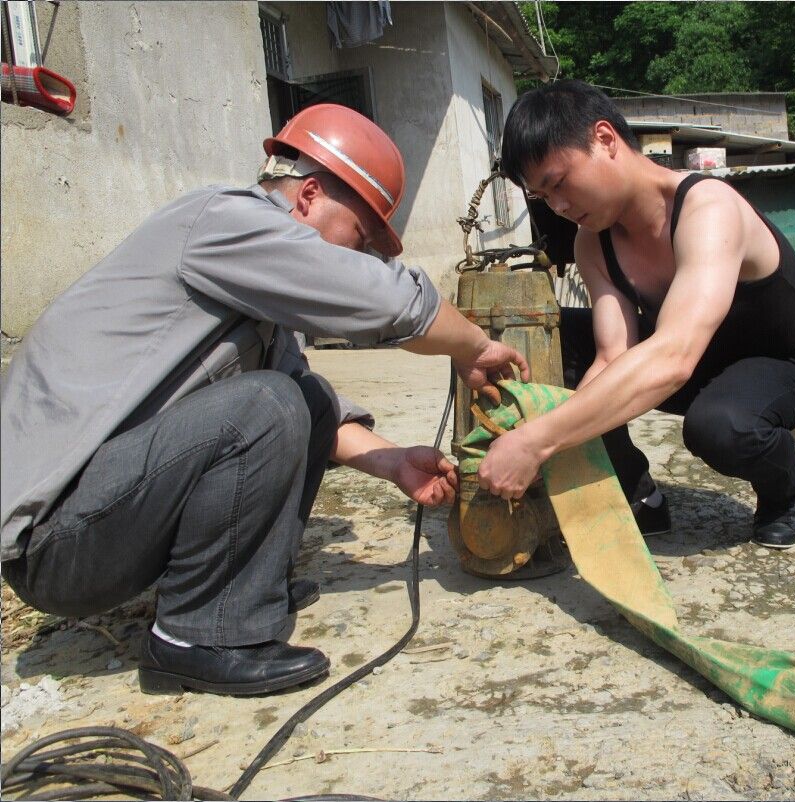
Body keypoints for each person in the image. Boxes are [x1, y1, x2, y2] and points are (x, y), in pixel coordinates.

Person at [0, 104, 529, 696]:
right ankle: (198, 637)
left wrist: (390, 461)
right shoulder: (224, 221)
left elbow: (314, 411)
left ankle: (249, 587)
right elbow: (380, 300)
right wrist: (473, 346)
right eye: (357, 239)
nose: (355, 259)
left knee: (302, 395)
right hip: (56, 544)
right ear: (307, 196)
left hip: (108, 518)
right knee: (267, 405)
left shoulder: (254, 290)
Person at [478, 80, 795, 549]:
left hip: (782, 368)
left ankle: (782, 489)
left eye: (558, 183)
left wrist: (538, 441)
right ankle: (638, 495)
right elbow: (610, 357)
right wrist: (559, 434)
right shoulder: (592, 241)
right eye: (543, 198)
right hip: (693, 365)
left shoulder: (707, 207)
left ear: (605, 140)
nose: (559, 207)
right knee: (561, 341)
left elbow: (674, 356)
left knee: (718, 426)